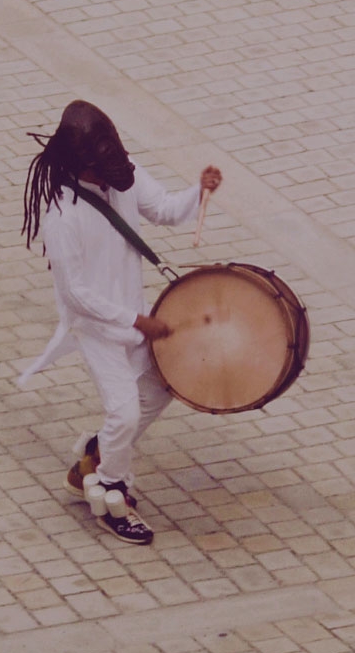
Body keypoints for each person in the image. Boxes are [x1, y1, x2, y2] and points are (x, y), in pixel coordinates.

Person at [18, 102, 222, 543]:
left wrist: (197, 191)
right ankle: (111, 489)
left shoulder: (121, 174)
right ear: (80, 166)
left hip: (137, 317)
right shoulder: (61, 217)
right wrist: (134, 320)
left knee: (162, 387)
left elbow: (166, 209)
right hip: (98, 330)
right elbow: (77, 295)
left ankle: (97, 453)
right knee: (124, 411)